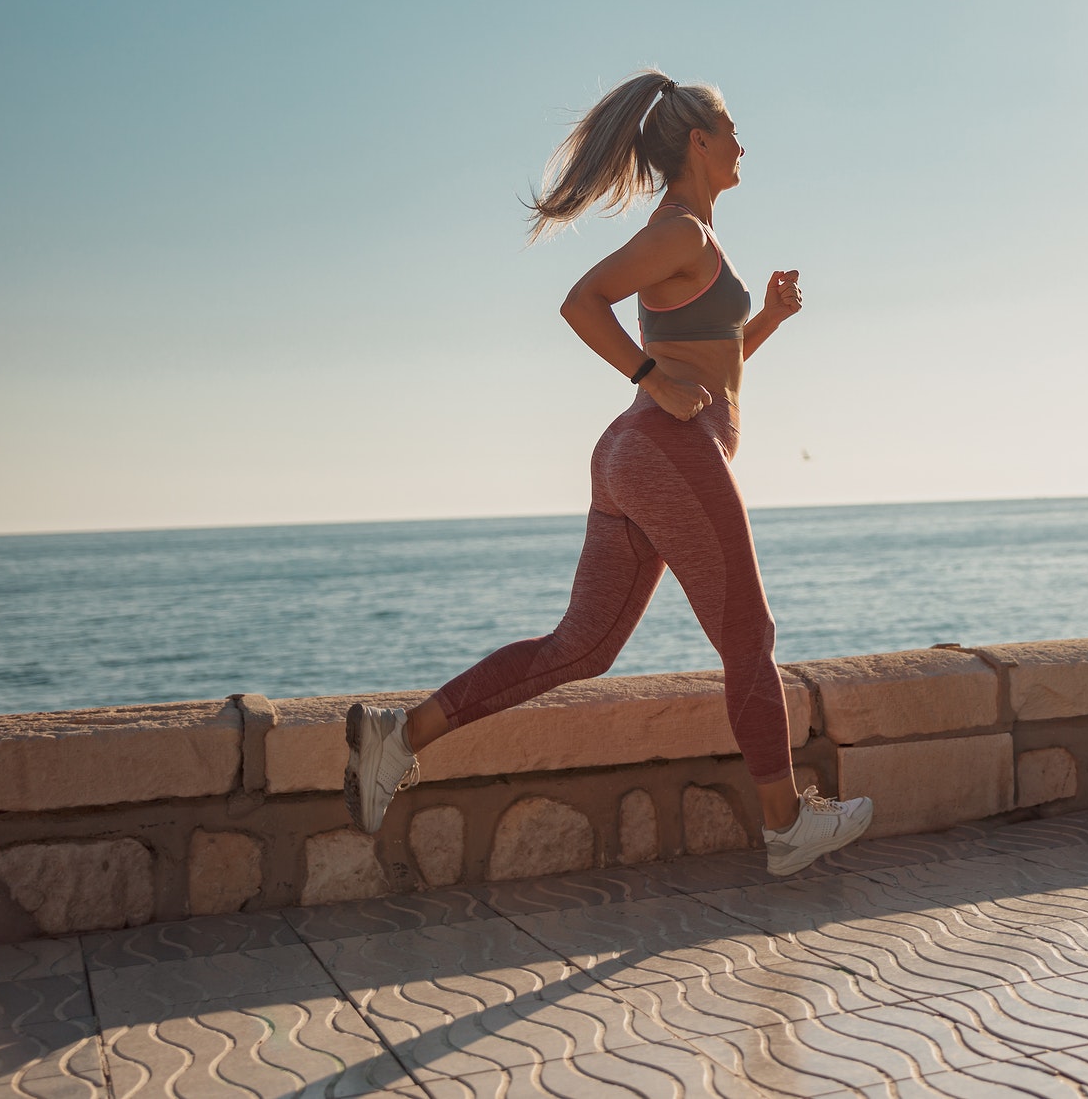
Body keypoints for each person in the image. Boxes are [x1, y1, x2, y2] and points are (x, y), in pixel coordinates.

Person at [342, 69, 872, 877]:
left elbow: (711, 370)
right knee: (749, 635)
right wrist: (646, 377)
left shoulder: (695, 234)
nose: (742, 146)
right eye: (732, 131)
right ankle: (786, 822)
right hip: (662, 451)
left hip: (636, 454)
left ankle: (398, 736)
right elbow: (582, 299)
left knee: (580, 648)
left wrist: (763, 319)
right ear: (699, 141)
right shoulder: (683, 233)